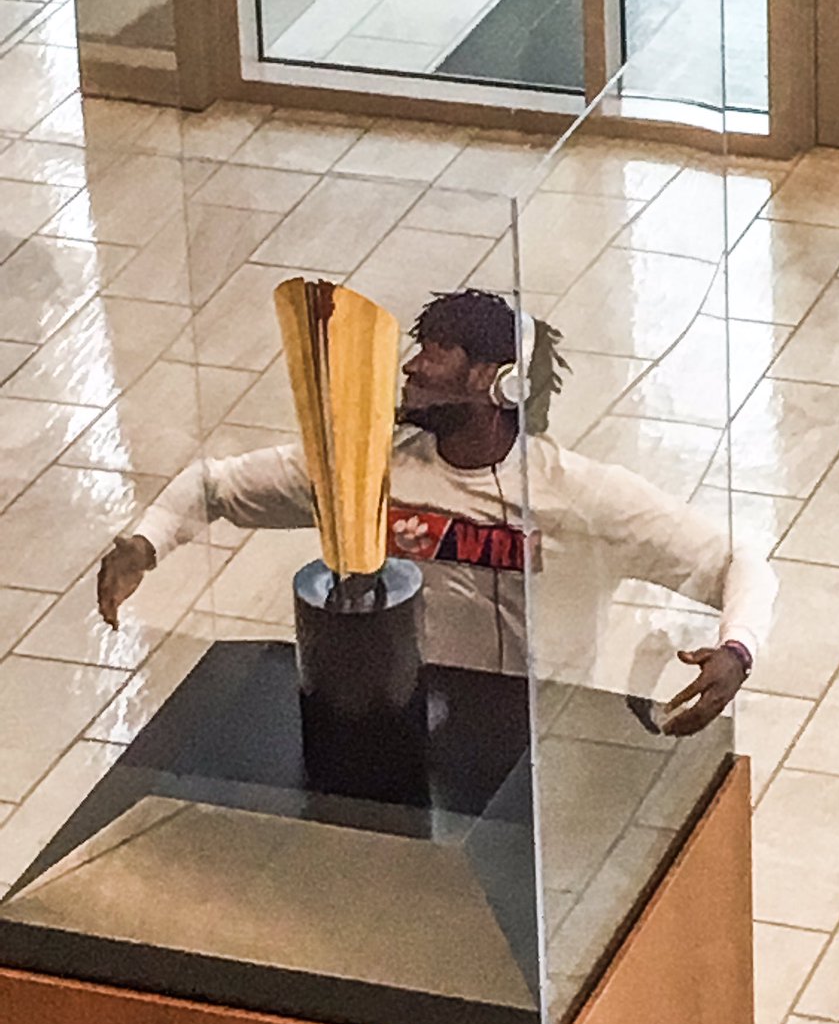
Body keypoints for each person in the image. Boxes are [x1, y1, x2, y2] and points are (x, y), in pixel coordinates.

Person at [97, 288, 776, 737]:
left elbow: (740, 565)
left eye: (435, 351)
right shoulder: (366, 466)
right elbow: (214, 487)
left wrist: (737, 650)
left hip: (534, 740)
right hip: (400, 720)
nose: (411, 368)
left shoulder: (581, 497)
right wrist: (146, 542)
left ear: (495, 378)